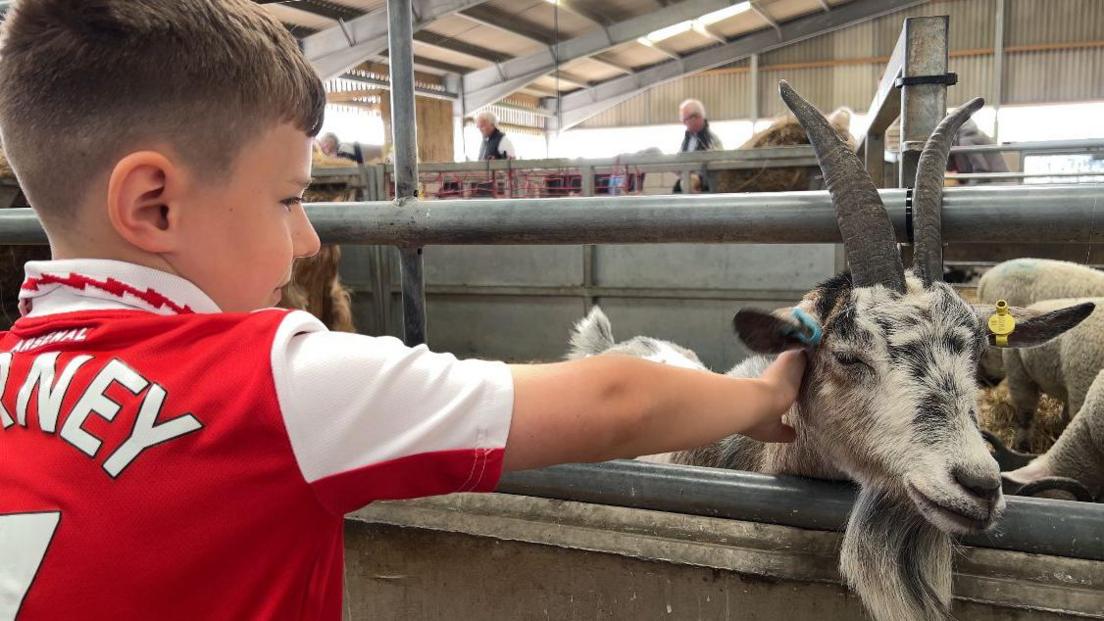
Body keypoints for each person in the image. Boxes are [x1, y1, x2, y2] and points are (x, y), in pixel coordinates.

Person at [0, 1, 806, 619]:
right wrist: (763, 398)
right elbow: (616, 398)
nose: (310, 238)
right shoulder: (272, 382)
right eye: (288, 200)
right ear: (155, 205)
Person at [674, 98, 724, 193]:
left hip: (705, 185)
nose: (684, 123)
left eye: (685, 120)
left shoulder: (711, 140)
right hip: (686, 180)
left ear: (696, 117)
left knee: (686, 184)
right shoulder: (687, 139)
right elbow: (680, 159)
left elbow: (717, 165)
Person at [947, 119, 1009, 184]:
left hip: (997, 184)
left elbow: (982, 171)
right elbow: (953, 168)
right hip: (992, 183)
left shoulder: (966, 140)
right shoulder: (956, 141)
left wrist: (966, 188)